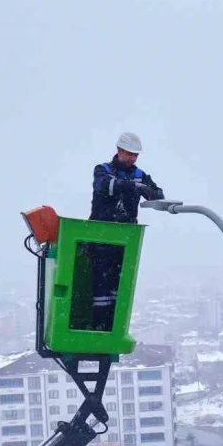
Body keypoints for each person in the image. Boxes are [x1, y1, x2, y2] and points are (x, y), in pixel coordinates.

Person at [85, 132, 164, 330]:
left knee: (117, 288)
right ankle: (98, 326)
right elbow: (104, 186)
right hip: (101, 237)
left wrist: (146, 190)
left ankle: (112, 326)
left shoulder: (140, 175)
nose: (133, 159)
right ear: (119, 151)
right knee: (100, 288)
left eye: (135, 155)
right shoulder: (102, 170)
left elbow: (158, 194)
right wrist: (130, 186)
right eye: (129, 154)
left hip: (124, 240)